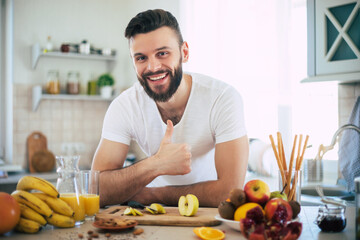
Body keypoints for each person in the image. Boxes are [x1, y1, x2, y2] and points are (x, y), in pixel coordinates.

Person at [92, 9, 249, 208]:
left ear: (184, 52)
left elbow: (230, 191)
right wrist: (155, 164)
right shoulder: (125, 105)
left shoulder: (222, 98)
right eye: (141, 58)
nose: (153, 67)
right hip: (154, 217)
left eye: (162, 53)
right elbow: (96, 189)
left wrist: (152, 195)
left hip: (211, 216)